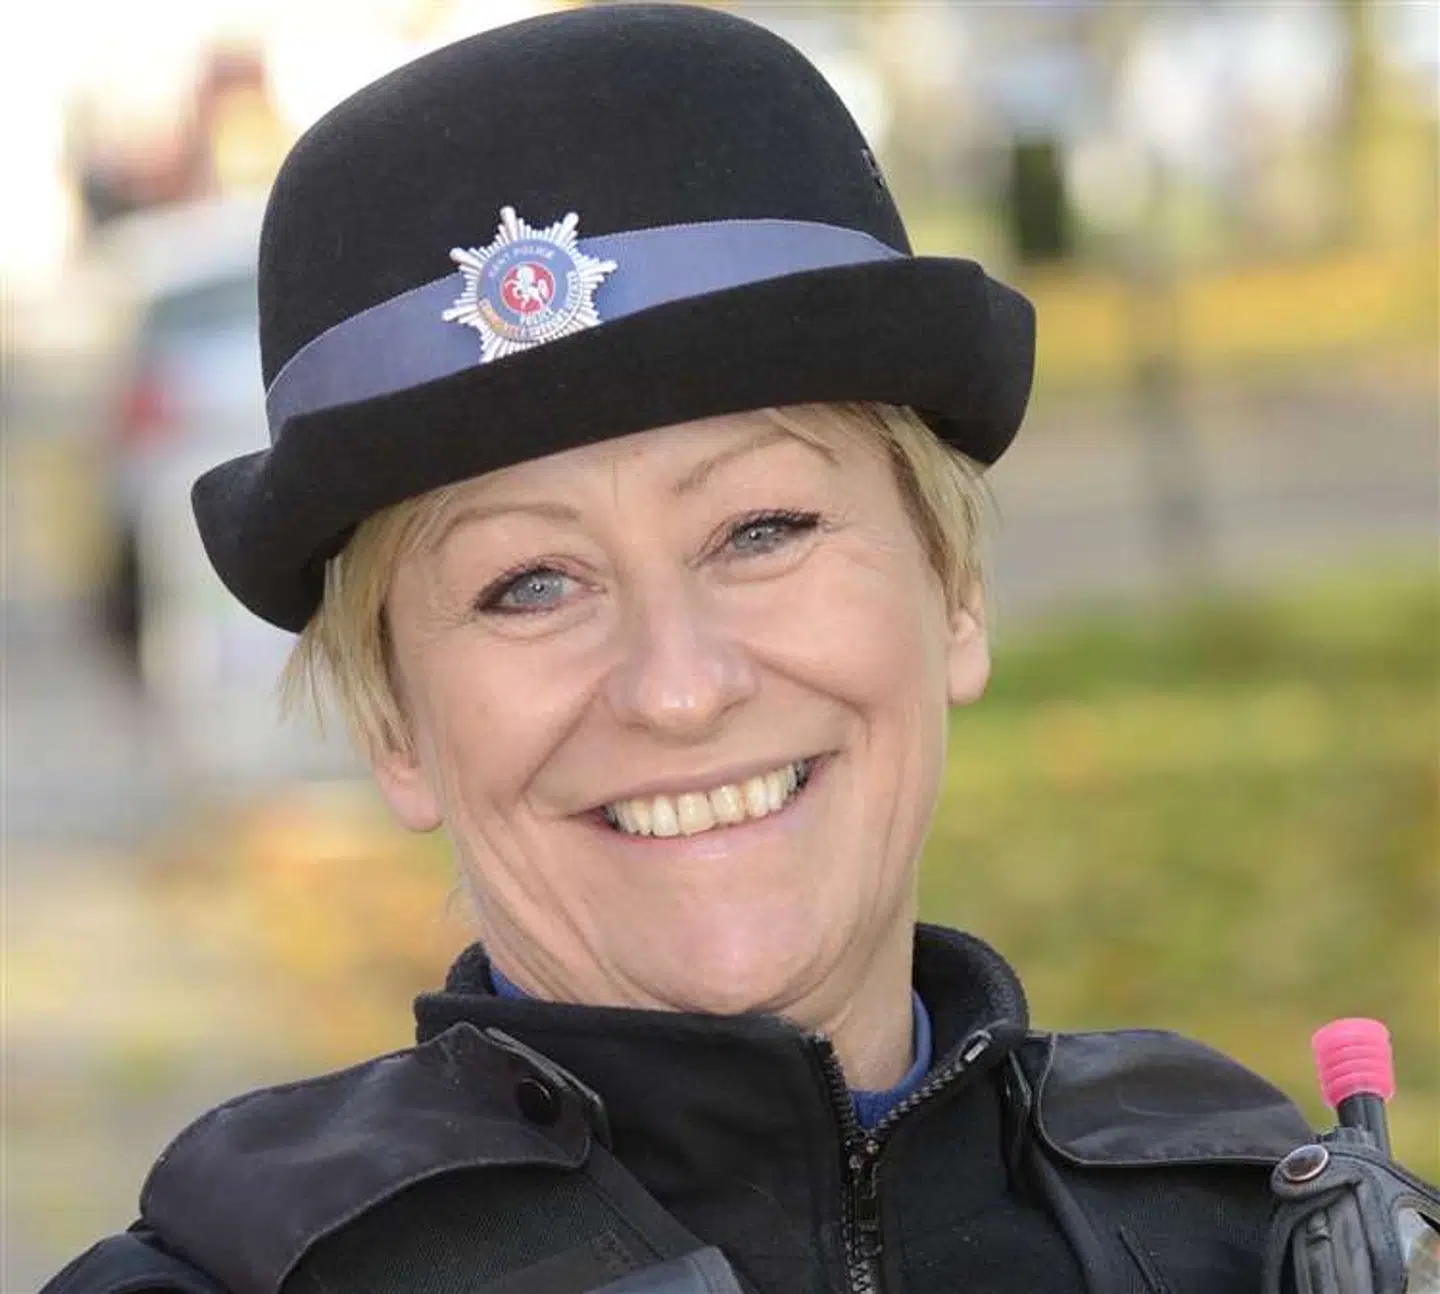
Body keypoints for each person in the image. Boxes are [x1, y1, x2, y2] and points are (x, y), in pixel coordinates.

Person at [44, 6, 1387, 1293]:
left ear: (954, 589)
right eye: (529, 585)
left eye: (761, 529)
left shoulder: (1267, 1242)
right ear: (396, 725)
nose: (680, 688)